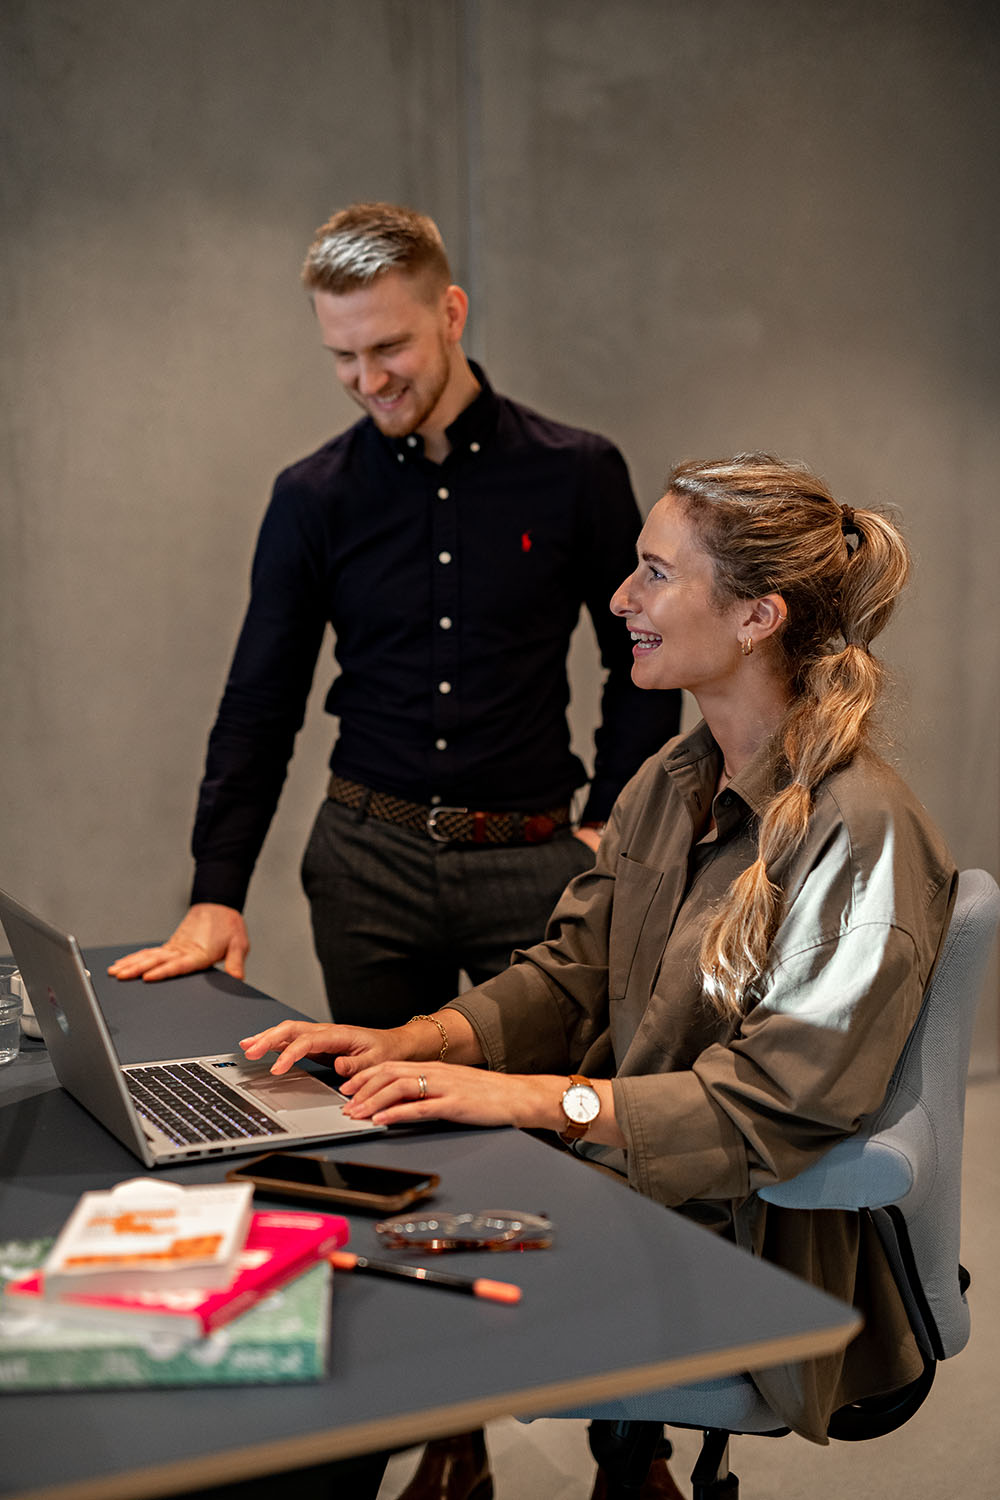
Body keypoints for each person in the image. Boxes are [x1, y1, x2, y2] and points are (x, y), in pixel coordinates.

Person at [240, 453, 957, 1494]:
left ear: (757, 615)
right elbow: (571, 973)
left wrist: (529, 1100)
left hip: (742, 1249)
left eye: (655, 575)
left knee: (338, 1328)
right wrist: (416, 1042)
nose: (620, 599)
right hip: (630, 1195)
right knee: (309, 1240)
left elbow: (769, 1112)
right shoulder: (672, 780)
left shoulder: (863, 834)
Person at [108, 202, 678, 1025]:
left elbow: (645, 654)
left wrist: (609, 829)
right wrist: (216, 893)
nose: (368, 381)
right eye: (342, 356)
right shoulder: (312, 497)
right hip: (364, 866)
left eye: (388, 348)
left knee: (534, 1137)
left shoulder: (578, 472)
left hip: (532, 864)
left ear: (450, 313)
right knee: (386, 1133)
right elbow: (260, 702)